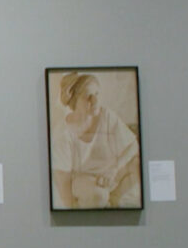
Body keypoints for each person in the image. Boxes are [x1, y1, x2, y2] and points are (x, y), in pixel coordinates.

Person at [50, 72, 140, 209]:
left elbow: (133, 146)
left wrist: (113, 170)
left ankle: (114, 198)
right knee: (98, 196)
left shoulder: (106, 116)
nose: (95, 101)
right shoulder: (62, 133)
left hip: (109, 174)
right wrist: (71, 210)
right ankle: (104, 199)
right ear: (74, 100)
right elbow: (63, 180)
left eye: (97, 94)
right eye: (88, 97)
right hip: (83, 179)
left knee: (137, 163)